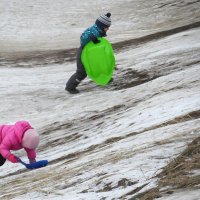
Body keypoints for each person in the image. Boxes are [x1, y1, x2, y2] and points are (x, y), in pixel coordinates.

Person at [65, 12, 112, 94]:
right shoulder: (93, 32)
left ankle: (105, 78)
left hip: (91, 53)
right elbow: (83, 38)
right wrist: (91, 38)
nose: (107, 29)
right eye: (107, 27)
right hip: (83, 53)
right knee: (81, 73)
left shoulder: (98, 30)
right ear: (102, 26)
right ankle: (70, 87)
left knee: (100, 65)